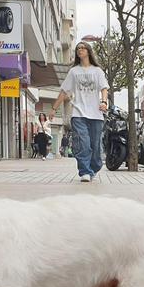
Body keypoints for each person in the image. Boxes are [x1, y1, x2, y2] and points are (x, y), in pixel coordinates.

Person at [48, 41, 109, 182]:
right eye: (78, 49)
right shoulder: (74, 71)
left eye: (82, 48)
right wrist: (53, 109)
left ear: (88, 51)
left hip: (96, 115)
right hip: (78, 113)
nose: (80, 50)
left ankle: (93, 168)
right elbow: (64, 92)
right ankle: (85, 171)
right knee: (83, 144)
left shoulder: (97, 71)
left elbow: (104, 88)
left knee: (95, 146)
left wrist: (104, 102)